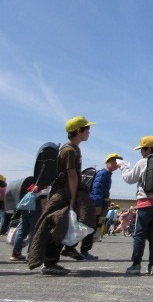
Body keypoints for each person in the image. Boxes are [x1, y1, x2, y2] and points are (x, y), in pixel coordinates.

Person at [28, 116, 97, 276]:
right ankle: (50, 262)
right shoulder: (69, 150)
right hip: (65, 192)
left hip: (67, 191)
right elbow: (71, 175)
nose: (89, 131)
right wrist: (72, 198)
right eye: (87, 128)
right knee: (59, 224)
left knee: (67, 224)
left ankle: (64, 251)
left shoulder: (74, 149)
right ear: (78, 130)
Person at [120, 135, 153, 275]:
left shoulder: (143, 162)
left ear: (149, 149)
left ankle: (136, 265)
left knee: (139, 234)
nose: (140, 152)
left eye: (142, 149)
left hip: (145, 202)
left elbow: (129, 178)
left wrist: (123, 167)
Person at [66, 152, 122, 261]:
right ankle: (80, 251)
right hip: (94, 205)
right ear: (107, 162)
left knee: (90, 227)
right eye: (113, 161)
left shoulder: (107, 174)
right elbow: (96, 189)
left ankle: (72, 248)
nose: (116, 164)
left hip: (97, 204)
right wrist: (97, 205)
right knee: (89, 227)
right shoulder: (103, 174)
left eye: (117, 162)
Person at [10, 183, 48, 262]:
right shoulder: (43, 186)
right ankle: (32, 254)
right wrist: (45, 214)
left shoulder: (31, 185)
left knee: (22, 231)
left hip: (25, 208)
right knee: (34, 231)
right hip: (35, 209)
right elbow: (43, 200)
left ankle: (15, 253)